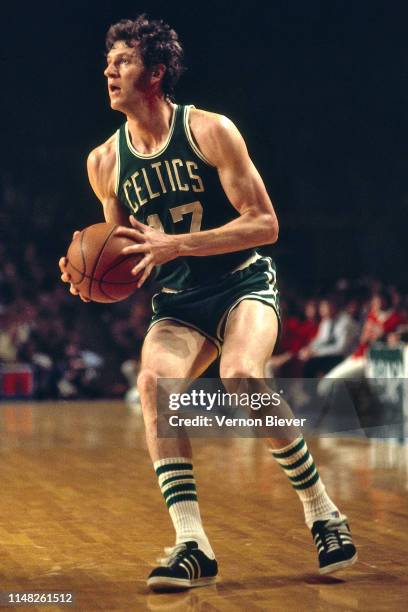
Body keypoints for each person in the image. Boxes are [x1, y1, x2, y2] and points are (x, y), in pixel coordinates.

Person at [59, 15, 357, 590]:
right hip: (177, 302)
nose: (109, 70)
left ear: (156, 73)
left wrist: (180, 244)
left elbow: (265, 224)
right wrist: (85, 277)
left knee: (242, 375)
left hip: (243, 283)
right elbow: (126, 258)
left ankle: (323, 512)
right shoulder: (103, 162)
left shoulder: (210, 131)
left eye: (122, 61)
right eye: (108, 61)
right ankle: (193, 544)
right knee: (153, 384)